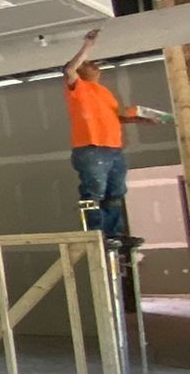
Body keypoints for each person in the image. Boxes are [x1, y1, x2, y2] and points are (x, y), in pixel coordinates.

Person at [62, 29, 146, 246]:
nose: (93, 65)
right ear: (80, 71)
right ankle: (97, 235)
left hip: (113, 148)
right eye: (88, 63)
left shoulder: (104, 92)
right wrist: (87, 47)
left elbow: (117, 116)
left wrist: (140, 119)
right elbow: (68, 69)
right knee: (94, 193)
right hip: (91, 148)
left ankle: (114, 234)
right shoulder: (78, 87)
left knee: (115, 193)